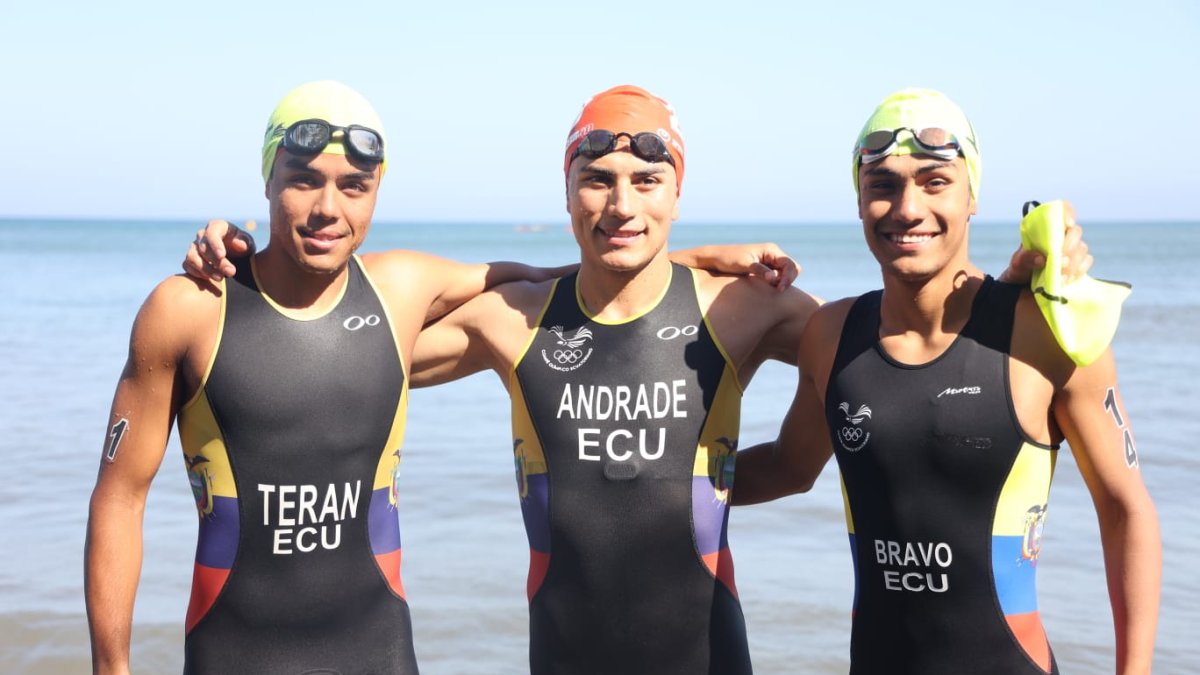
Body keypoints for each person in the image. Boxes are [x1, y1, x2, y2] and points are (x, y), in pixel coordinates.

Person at [86, 80, 798, 675]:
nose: (327, 206)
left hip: (387, 650)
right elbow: (120, 498)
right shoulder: (194, 309)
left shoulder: (403, 292)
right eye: (303, 179)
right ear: (267, 177)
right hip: (235, 649)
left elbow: (566, 272)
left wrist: (695, 258)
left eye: (353, 184)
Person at [733, 88, 1161, 674]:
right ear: (859, 201)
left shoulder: (1046, 333)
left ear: (971, 196)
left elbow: (1125, 510)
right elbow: (789, 467)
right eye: (882, 184)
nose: (907, 207)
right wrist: (658, 483)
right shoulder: (832, 334)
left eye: (936, 181)